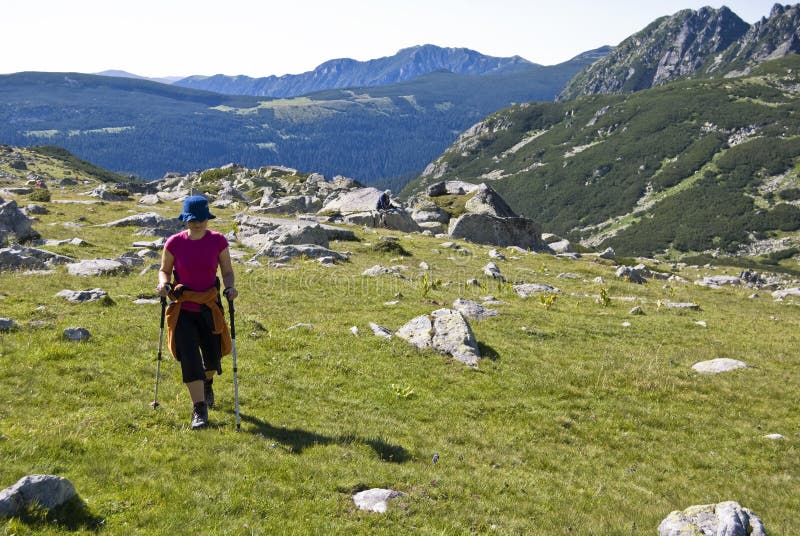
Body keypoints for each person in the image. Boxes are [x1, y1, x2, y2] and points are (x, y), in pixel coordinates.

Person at [156, 195, 238, 430]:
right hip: (184, 309)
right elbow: (164, 270)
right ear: (185, 220)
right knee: (190, 358)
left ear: (207, 218)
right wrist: (164, 284)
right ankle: (199, 409)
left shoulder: (218, 241)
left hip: (209, 306)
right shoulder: (174, 243)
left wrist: (231, 287)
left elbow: (227, 272)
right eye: (193, 220)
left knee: (213, 356)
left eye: (201, 219)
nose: (198, 224)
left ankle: (208, 381)